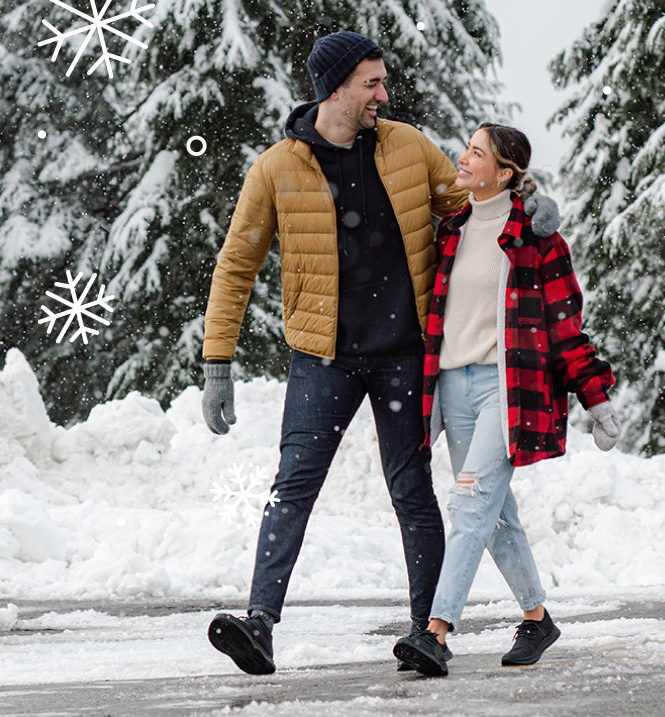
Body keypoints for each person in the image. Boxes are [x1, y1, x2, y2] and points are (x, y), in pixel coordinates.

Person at [200, 33, 560, 675]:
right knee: (293, 487)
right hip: (323, 357)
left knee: (412, 492)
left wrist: (529, 208)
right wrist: (217, 362)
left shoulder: (406, 147)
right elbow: (236, 266)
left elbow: (471, 205)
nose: (382, 95)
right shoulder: (277, 168)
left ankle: (429, 635)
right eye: (371, 83)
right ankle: (260, 624)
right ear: (335, 87)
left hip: (404, 355)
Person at [392, 123, 620, 677]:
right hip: (452, 386)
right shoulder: (451, 229)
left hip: (505, 389)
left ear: (505, 173)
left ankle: (436, 632)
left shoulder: (537, 240)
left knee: (470, 502)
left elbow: (566, 329)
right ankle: (537, 618)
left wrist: (597, 398)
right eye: (466, 149)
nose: (463, 158)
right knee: (494, 516)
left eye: (476, 153)